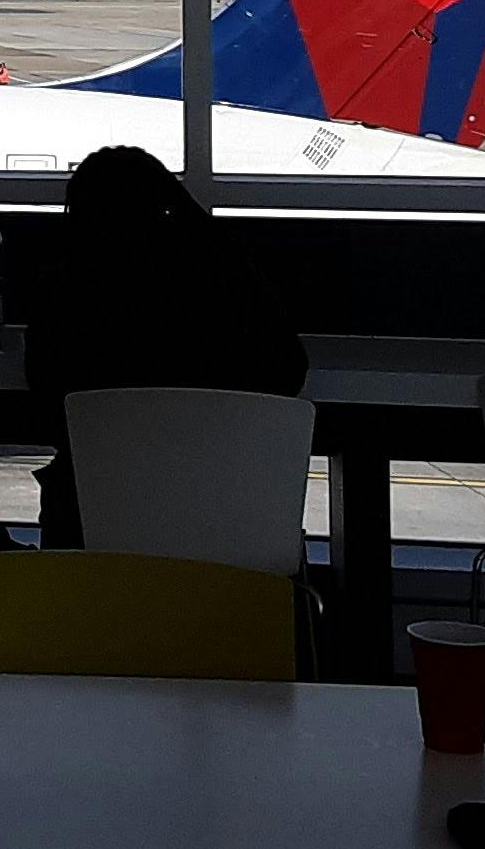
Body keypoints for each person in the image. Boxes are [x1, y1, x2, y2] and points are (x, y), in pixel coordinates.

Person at [25, 144, 309, 548]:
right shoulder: (221, 283)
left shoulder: (63, 292)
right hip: (222, 525)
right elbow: (288, 371)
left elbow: (47, 407)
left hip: (96, 532)